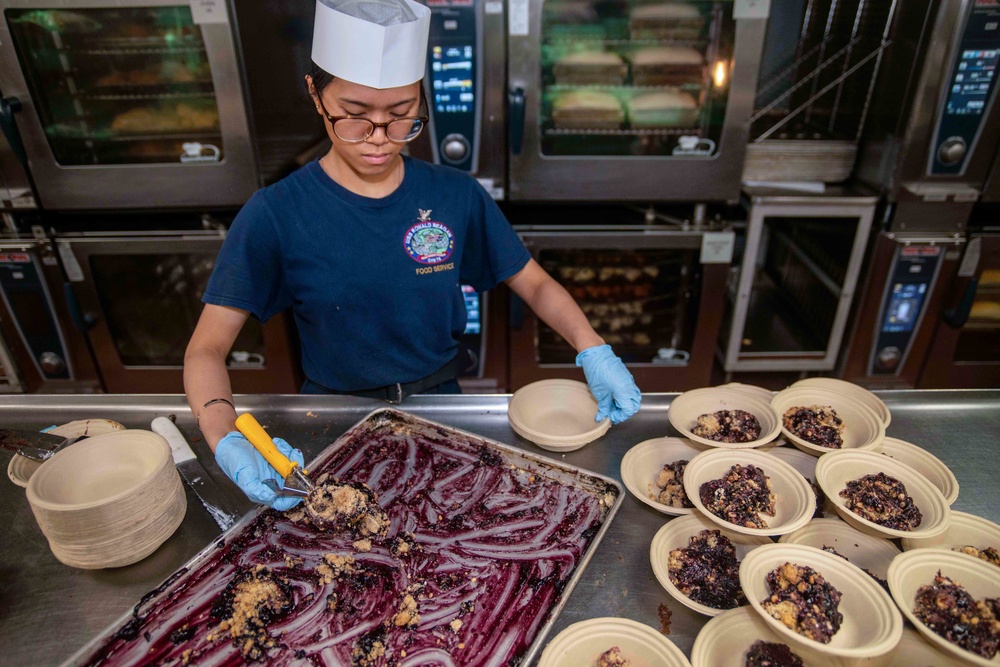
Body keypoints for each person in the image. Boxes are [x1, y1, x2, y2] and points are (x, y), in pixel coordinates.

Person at [183, 0, 641, 510]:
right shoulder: (275, 213)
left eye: (402, 116)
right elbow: (206, 349)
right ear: (316, 95)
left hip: (442, 404)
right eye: (354, 118)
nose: (379, 141)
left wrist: (593, 348)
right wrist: (223, 432)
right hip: (334, 412)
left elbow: (532, 282)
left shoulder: (455, 195)